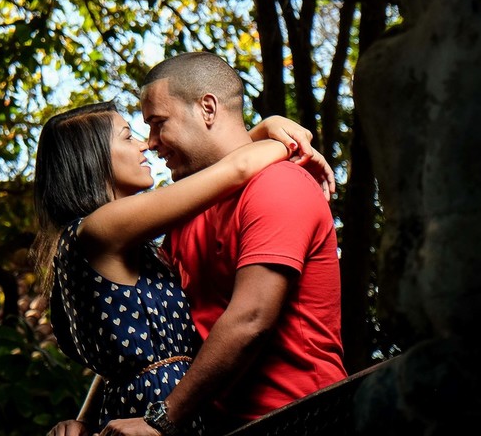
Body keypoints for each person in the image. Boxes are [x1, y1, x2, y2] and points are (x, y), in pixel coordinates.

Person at [33, 101, 332, 436]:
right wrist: (285, 138)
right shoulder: (100, 227)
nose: (144, 144)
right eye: (128, 137)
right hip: (153, 415)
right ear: (92, 158)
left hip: (164, 411)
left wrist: (86, 418)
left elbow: (127, 354)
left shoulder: (119, 242)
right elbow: (235, 169)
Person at [102, 52, 346, 436]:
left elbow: (251, 319)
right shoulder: (187, 212)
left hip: (303, 417)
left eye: (157, 123)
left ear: (208, 109)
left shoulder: (279, 184)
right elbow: (145, 333)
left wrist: (163, 419)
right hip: (219, 428)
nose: (150, 143)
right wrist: (85, 421)